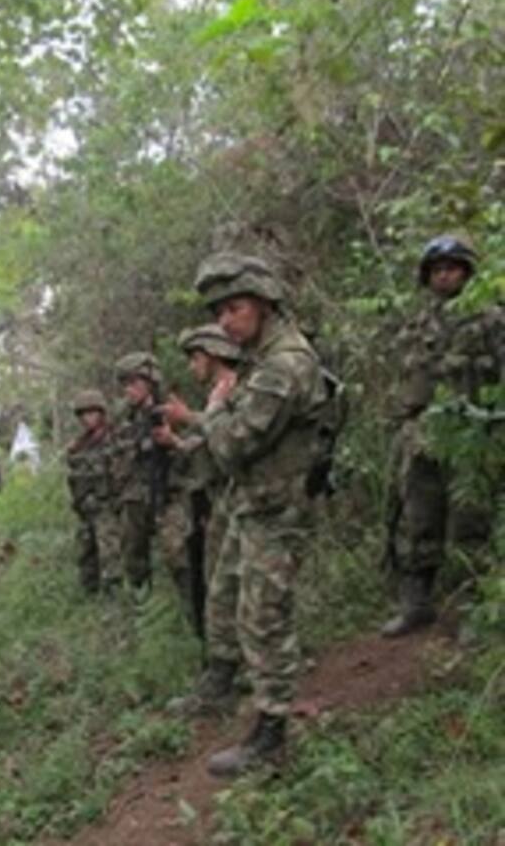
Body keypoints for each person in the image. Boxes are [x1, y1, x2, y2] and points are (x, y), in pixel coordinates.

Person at [163, 253, 328, 777]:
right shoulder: (261, 358)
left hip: (278, 508)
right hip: (255, 503)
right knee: (227, 595)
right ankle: (222, 684)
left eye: (235, 308)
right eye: (221, 312)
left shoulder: (284, 365)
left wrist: (211, 412)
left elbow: (233, 445)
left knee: (264, 617)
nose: (226, 322)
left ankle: (271, 733)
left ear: (264, 303)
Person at [381, 234, 503, 637]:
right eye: (437, 270)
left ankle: (473, 608)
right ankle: (417, 603)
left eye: (452, 268)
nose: (444, 276)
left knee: (472, 523)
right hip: (422, 433)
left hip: (472, 431)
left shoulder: (491, 320)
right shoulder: (417, 324)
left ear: (467, 272)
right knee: (418, 521)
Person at [153, 325, 242, 638]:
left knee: (231, 586)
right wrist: (176, 441)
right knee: (218, 582)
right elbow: (206, 441)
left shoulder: (234, 388)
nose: (192, 367)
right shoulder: (217, 393)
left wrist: (189, 417)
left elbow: (233, 438)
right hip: (216, 498)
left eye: (195, 358)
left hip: (238, 497)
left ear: (213, 355)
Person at [113, 353, 171, 595]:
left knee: (177, 556)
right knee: (133, 551)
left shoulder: (168, 413)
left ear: (151, 382)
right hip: (136, 495)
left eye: (134, 383)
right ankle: (142, 600)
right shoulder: (127, 420)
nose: (129, 390)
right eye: (125, 384)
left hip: (169, 493)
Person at [65, 389, 121, 596]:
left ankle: (112, 597)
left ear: (101, 413)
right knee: (86, 552)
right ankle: (89, 595)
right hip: (85, 506)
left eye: (91, 413)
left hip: (106, 505)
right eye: (83, 414)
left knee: (110, 553)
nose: (87, 419)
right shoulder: (79, 445)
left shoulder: (113, 439)